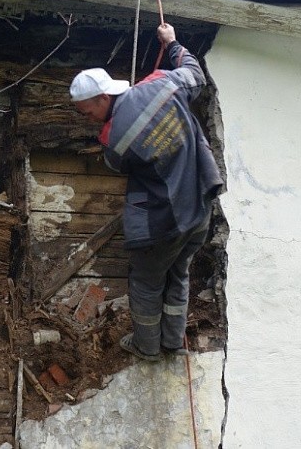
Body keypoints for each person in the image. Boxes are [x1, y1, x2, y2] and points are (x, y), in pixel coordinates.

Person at [70, 23, 223, 361]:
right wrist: (172, 44)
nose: (89, 119)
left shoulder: (112, 142)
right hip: (199, 208)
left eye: (89, 111)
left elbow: (118, 165)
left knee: (146, 283)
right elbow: (194, 74)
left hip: (164, 222)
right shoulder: (162, 83)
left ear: (102, 97)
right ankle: (172, 342)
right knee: (178, 274)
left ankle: (147, 348)